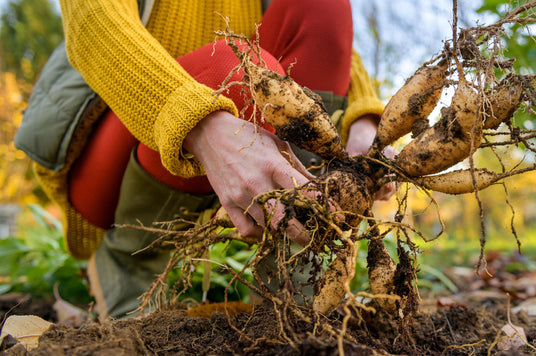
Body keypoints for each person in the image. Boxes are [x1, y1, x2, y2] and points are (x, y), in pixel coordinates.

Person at [33, 0, 390, 319]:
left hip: (245, 128)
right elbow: (94, 22)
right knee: (237, 65)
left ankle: (293, 285)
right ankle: (130, 260)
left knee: (322, 6)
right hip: (115, 145)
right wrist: (199, 123)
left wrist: (363, 120)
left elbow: (332, 44)